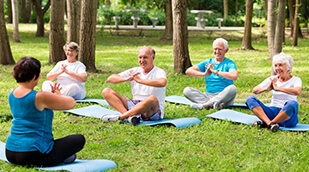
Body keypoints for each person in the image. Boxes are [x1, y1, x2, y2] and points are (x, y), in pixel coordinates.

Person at [6, 57, 85, 167]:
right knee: (79, 139)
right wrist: (58, 94)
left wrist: (51, 97)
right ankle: (61, 158)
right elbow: (71, 103)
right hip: (32, 154)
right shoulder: (39, 96)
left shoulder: (12, 94)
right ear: (35, 76)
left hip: (10, 152)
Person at [101, 47, 167, 126]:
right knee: (106, 91)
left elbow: (162, 82)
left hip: (151, 110)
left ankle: (122, 117)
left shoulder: (159, 71)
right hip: (134, 105)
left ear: (153, 58)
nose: (142, 60)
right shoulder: (135, 71)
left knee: (152, 99)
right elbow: (111, 78)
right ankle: (130, 117)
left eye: (145, 57)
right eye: (140, 57)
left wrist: (140, 81)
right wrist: (126, 78)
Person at [245, 52, 302, 132]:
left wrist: (278, 88)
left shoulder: (296, 79)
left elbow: (297, 91)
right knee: (250, 99)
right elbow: (255, 90)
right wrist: (267, 88)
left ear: (288, 67)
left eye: (280, 65)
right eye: (275, 65)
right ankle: (270, 124)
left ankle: (267, 123)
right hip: (272, 112)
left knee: (292, 104)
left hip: (287, 117)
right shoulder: (272, 78)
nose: (277, 68)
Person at [183, 38, 238, 110]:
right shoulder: (208, 62)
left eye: (220, 49)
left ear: (226, 50)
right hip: (208, 95)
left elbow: (234, 76)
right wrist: (204, 74)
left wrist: (216, 72)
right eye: (215, 49)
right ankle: (214, 104)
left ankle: (206, 105)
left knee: (232, 88)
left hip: (224, 97)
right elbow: (188, 71)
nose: (217, 51)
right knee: (187, 90)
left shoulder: (229, 63)